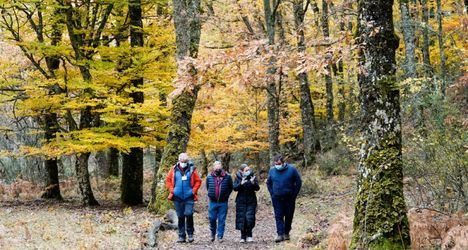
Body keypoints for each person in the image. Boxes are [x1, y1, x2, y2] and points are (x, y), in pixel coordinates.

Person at [165, 153, 202, 243]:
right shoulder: (174, 169)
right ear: (179, 160)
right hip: (177, 197)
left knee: (189, 214)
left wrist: (193, 191)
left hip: (189, 196)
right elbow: (168, 180)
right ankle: (181, 236)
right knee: (180, 216)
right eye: (182, 161)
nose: (184, 162)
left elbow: (198, 181)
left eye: (185, 161)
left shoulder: (192, 169)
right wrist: (172, 190)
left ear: (188, 161)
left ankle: (190, 234)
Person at [266, 155, 302, 242]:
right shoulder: (272, 170)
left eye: (278, 164)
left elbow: (298, 182)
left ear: (283, 162)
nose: (277, 165)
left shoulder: (292, 169)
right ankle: (280, 234)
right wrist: (272, 193)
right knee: (278, 216)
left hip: (289, 198)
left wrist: (294, 194)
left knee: (289, 216)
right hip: (277, 198)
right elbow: (268, 183)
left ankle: (286, 232)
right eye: (275, 164)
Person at [206, 161, 233, 242]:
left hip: (223, 202)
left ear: (221, 167)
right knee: (212, 218)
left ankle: (220, 236)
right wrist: (211, 195)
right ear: (213, 168)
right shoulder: (209, 177)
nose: (218, 169)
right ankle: (213, 233)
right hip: (212, 202)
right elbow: (208, 187)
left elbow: (230, 187)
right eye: (216, 167)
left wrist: (226, 196)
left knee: (222, 219)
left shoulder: (227, 177)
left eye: (219, 167)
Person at [233, 164, 260, 243]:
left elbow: (257, 188)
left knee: (250, 218)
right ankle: (242, 236)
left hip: (251, 200)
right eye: (246, 170)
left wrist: (253, 183)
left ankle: (249, 235)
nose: (248, 171)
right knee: (242, 218)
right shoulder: (237, 177)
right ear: (241, 171)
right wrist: (240, 183)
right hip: (241, 201)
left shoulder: (252, 176)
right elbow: (234, 188)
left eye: (248, 169)